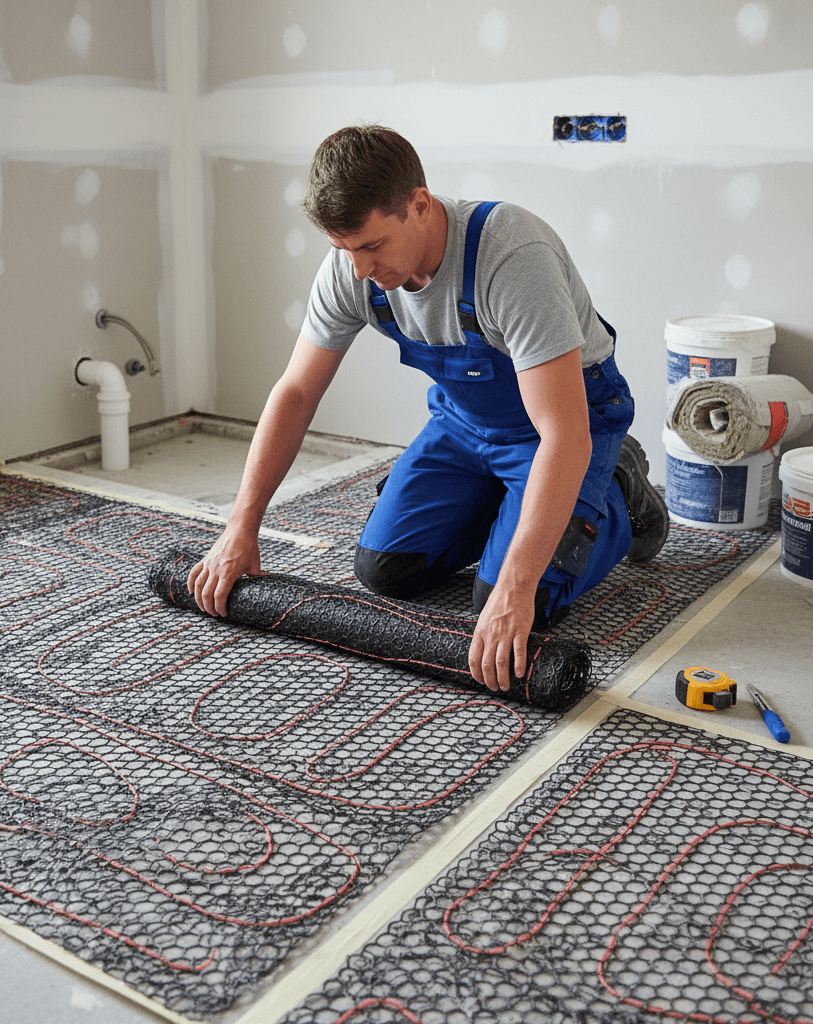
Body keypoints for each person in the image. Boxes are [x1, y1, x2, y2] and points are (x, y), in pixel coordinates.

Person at [188, 125, 668, 693]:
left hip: (566, 426)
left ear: (419, 204)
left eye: (372, 247)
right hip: (464, 426)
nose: (359, 269)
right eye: (344, 249)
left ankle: (618, 489)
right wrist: (241, 527)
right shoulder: (352, 269)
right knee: (384, 569)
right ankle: (512, 504)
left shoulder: (511, 257)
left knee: (513, 601)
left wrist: (515, 586)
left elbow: (562, 434)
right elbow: (295, 393)